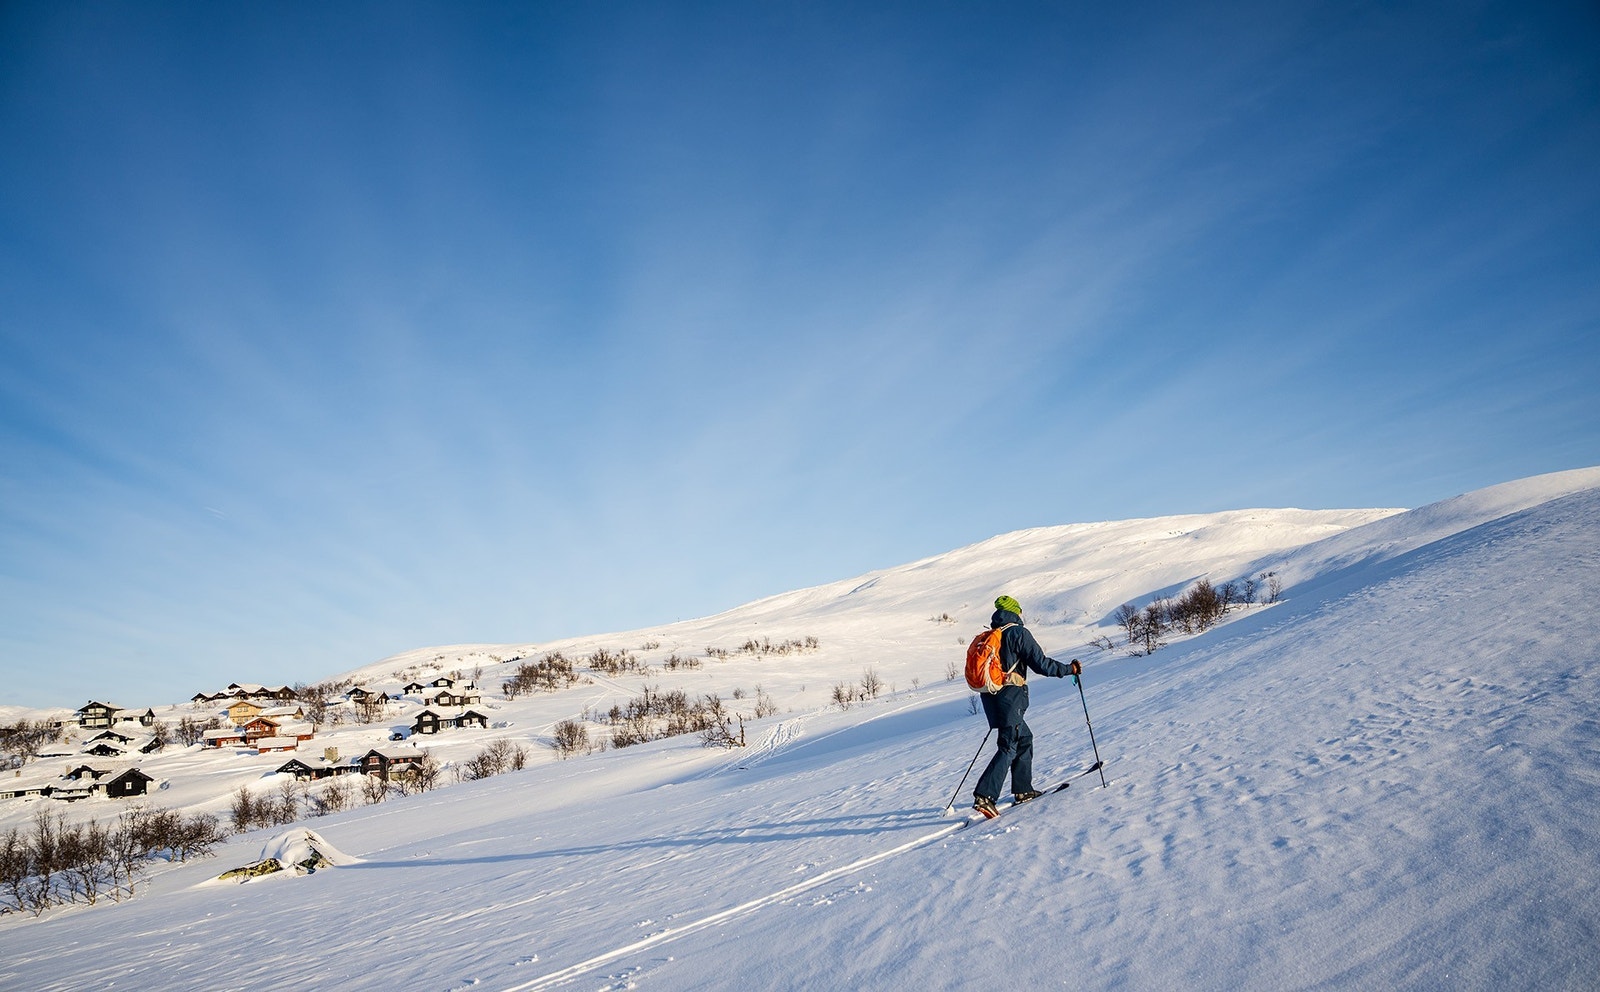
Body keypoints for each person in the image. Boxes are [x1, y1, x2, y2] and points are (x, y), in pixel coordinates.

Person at [973, 594, 1081, 818]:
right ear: (1016, 612)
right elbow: (1041, 664)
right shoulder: (1017, 633)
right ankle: (985, 796)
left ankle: (1023, 790)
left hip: (991, 697)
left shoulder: (993, 635)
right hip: (1010, 698)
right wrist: (1069, 669)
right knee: (1008, 745)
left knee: (1024, 738)